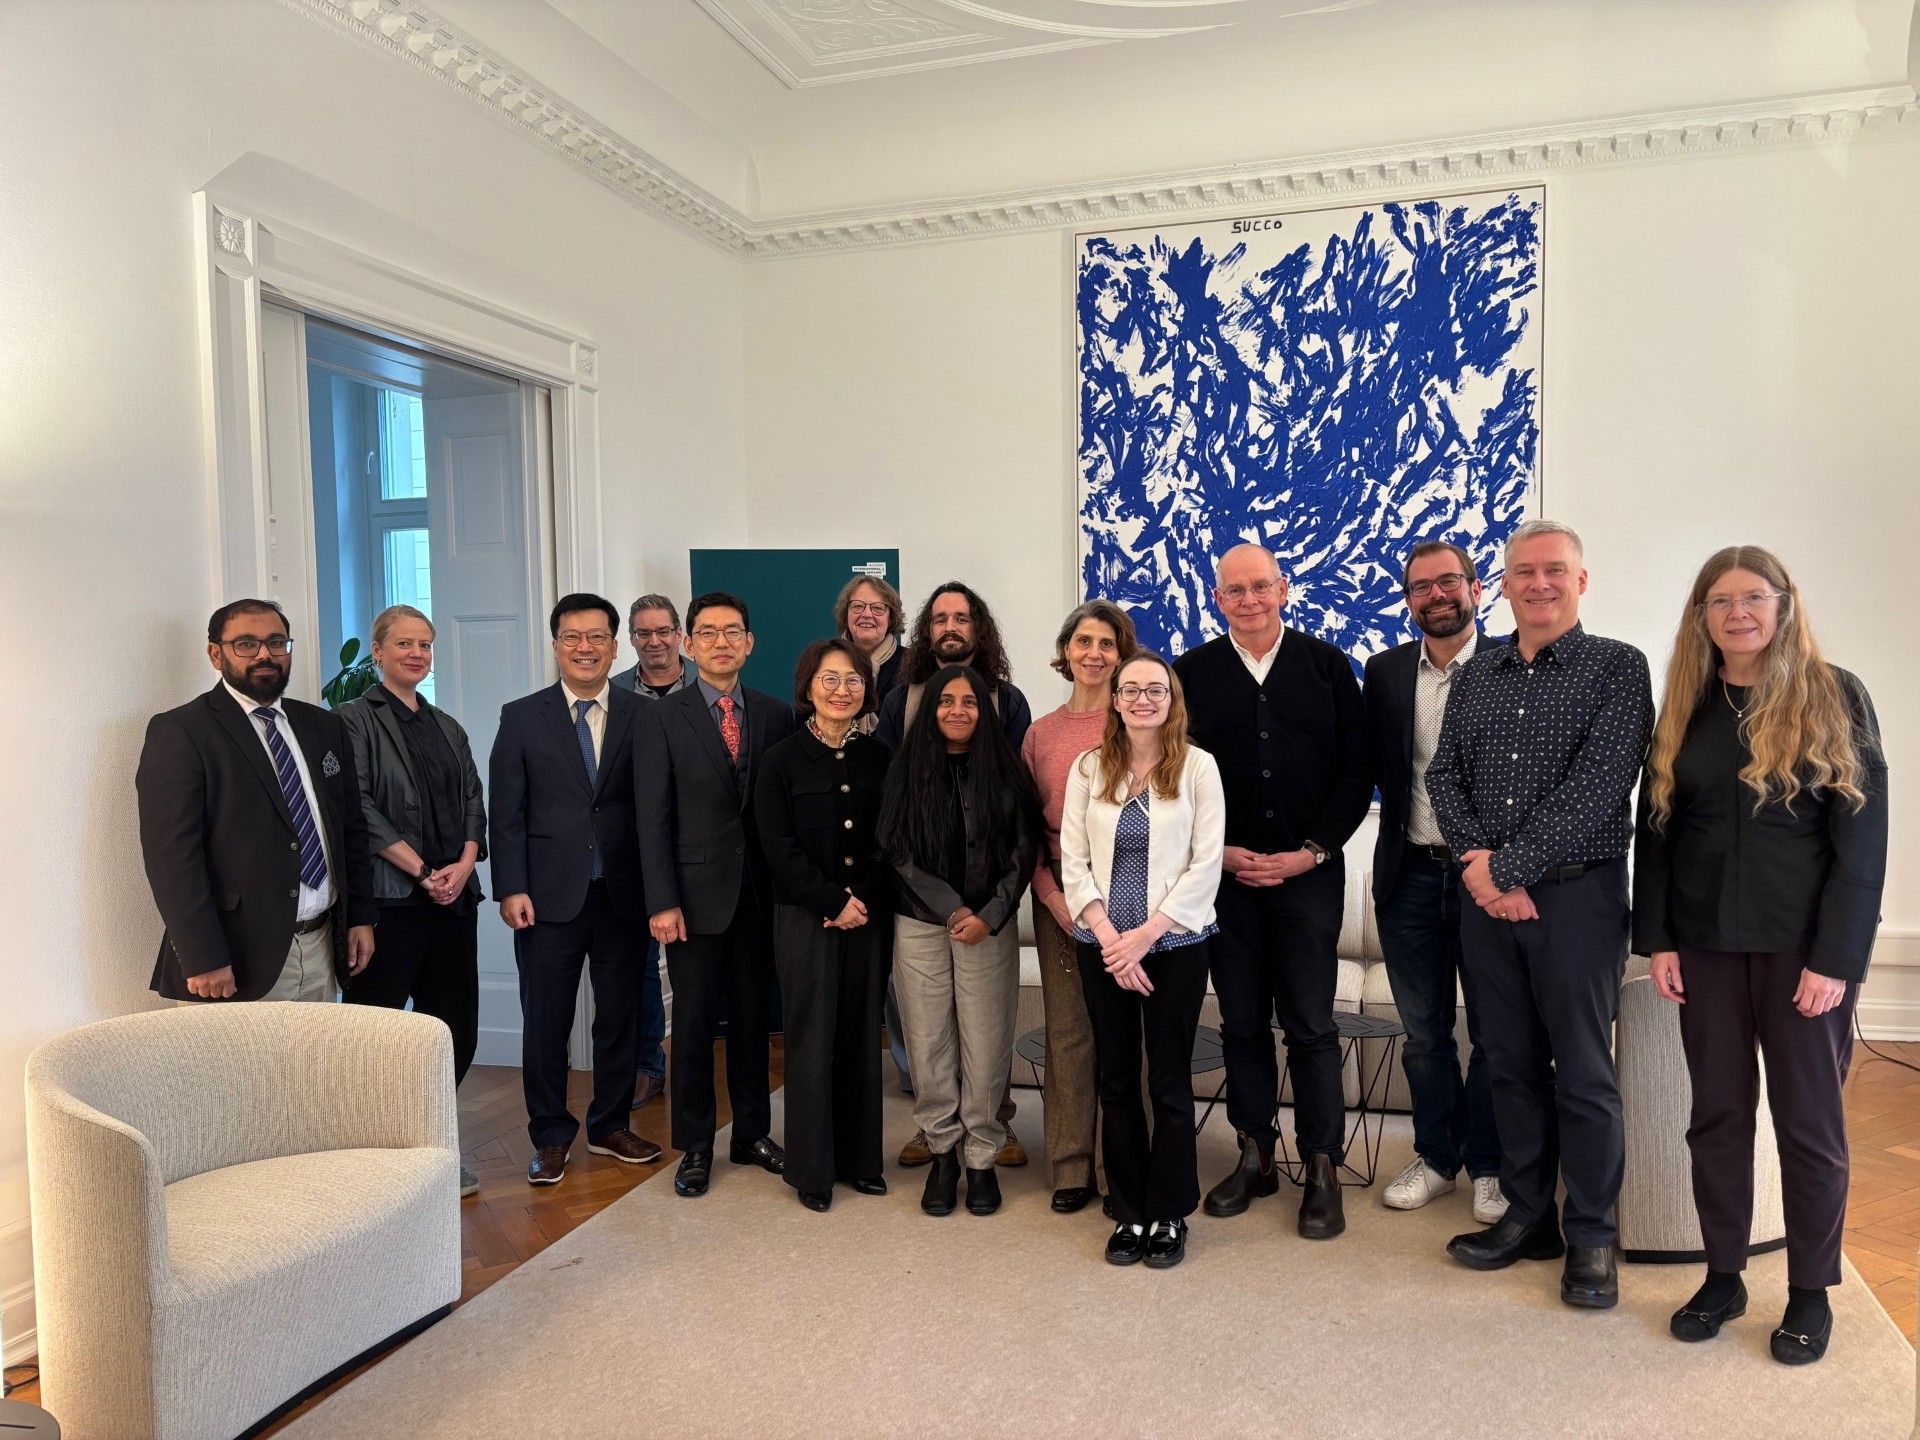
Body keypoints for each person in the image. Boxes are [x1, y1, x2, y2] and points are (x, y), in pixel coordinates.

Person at [1634, 546, 1886, 1364]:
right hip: (1705, 948)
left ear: (1782, 604)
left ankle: (1810, 1291)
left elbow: (1862, 845)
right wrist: (1660, 938)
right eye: (1719, 600)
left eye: (1752, 597)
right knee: (1715, 1117)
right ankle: (1724, 1273)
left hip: (1801, 954)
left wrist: (1836, 959)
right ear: (1701, 616)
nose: (1736, 612)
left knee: (1809, 1125)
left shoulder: (1834, 694)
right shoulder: (1686, 706)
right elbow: (1658, 833)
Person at [1426, 519, 1652, 1310]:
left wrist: (1507, 869)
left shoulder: (1619, 669)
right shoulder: (1480, 672)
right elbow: (1443, 776)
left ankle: (1591, 1236)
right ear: (1504, 584)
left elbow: (1601, 787)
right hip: (1488, 901)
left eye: (1555, 570)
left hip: (1579, 899)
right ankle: (1529, 1217)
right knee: (1509, 1063)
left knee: (1585, 1076)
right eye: (1525, 571)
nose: (1540, 584)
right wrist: (1481, 874)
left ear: (1581, 581)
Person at [1175, 544, 1371, 1241]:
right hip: (1221, 884)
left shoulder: (1326, 667)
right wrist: (1219, 853)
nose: (1250, 599)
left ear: (1283, 590)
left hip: (1308, 879)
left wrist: (1307, 853)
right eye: (1235, 589)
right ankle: (1256, 1153)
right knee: (1241, 1024)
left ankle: (1321, 1165)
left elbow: (1356, 773)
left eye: (1261, 586)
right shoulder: (1190, 674)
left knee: (1312, 1026)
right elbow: (1173, 778)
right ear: (1217, 597)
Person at [490, 593, 661, 1187]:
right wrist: (510, 886)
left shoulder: (644, 716)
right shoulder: (521, 716)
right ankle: (551, 1136)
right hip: (546, 899)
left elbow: (654, 810)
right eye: (572, 637)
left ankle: (611, 1126)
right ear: (557, 644)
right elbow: (504, 813)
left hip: (623, 896)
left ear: (616, 647)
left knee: (620, 1017)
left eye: (596, 637)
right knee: (546, 1022)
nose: (584, 648)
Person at [1062, 653, 1224, 1268]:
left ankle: (1170, 1211)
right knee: (1117, 1081)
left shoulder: (1199, 769)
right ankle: (1128, 1210)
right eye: (1131, 690)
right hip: (1103, 948)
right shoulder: (1087, 768)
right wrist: (1110, 937)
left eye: (1155, 689)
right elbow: (1072, 860)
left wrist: (1145, 938)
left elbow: (1205, 865)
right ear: (1116, 700)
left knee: (1169, 1080)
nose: (1142, 699)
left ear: (1171, 698)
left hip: (1175, 949)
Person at [1363, 543, 1506, 1224]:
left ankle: (1489, 1165)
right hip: (1410, 876)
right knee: (1424, 1036)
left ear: (1476, 588)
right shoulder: (1385, 672)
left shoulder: (1513, 665)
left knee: (1493, 1031)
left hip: (1489, 880)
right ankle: (1437, 1158)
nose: (1436, 595)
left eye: (1448, 581)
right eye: (1421, 587)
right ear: (1408, 600)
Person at [636, 591, 796, 1197]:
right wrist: (660, 901)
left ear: (750, 643)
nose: (722, 642)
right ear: (688, 643)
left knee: (756, 1022)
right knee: (696, 1026)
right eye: (709, 632)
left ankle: (752, 1134)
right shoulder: (660, 719)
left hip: (759, 898)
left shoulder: (775, 713)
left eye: (734, 632)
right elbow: (651, 817)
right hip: (691, 902)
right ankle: (696, 1145)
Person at [139, 598, 376, 1004]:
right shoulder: (181, 731)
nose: (265, 654)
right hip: (234, 958)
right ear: (216, 654)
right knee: (233, 1071)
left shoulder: (323, 725)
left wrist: (360, 918)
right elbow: (172, 858)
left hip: (321, 946)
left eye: (277, 642)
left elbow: (349, 828)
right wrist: (202, 956)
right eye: (246, 644)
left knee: (312, 1068)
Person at [874, 580, 1033, 1167]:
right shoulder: (899, 702)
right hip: (920, 900)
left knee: (986, 1029)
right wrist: (941, 900)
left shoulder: (1007, 702)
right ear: (926, 630)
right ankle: (936, 1132)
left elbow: (1016, 807)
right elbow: (892, 805)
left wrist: (991, 906)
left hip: (988, 896)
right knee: (926, 1029)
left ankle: (992, 1126)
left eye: (961, 618)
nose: (949, 628)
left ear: (978, 627)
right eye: (939, 618)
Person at [337, 605, 488, 1196]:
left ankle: (430, 1149)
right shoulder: (352, 720)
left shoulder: (448, 725)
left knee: (456, 1030)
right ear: (377, 651)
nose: (417, 654)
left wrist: (464, 863)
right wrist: (424, 871)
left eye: (425, 644)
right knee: (374, 1035)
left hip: (454, 900)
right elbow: (360, 808)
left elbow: (475, 797)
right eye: (403, 644)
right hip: (393, 902)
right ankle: (373, 1159)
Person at [755, 639, 892, 1211]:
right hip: (806, 917)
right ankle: (812, 1169)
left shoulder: (881, 756)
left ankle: (862, 1162)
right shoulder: (781, 759)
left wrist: (862, 900)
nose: (842, 690)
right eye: (830, 679)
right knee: (812, 1038)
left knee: (863, 1033)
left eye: (853, 680)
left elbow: (893, 839)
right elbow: (777, 848)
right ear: (809, 686)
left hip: (869, 915)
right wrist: (832, 900)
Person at [1020, 599, 1138, 1214]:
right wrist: (1052, 896)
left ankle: (1120, 1161)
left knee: (1127, 1038)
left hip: (1132, 912)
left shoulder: (1139, 723)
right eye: (1084, 642)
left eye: (1107, 644)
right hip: (1061, 905)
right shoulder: (1040, 734)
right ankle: (1070, 1166)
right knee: (1069, 1034)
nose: (1094, 654)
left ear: (1123, 655)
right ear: (1067, 651)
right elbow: (1028, 832)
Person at [610, 593, 691, 1110]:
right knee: (637, 967)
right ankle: (647, 1065)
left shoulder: (705, 689)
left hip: (698, 850)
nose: (654, 641)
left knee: (697, 969)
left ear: (680, 635)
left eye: (663, 631)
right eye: (643, 633)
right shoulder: (615, 694)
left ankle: (696, 1067)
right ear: (631, 640)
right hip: (634, 851)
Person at [834, 574, 907, 704]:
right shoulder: (824, 662)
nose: (867, 614)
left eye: (877, 608)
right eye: (857, 606)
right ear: (846, 614)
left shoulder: (914, 664)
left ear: (891, 618)